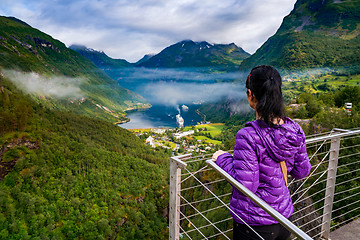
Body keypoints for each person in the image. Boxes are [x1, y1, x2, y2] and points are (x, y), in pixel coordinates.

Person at [212, 65, 311, 240]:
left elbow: (247, 187)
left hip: (254, 223)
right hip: (283, 219)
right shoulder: (294, 130)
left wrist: (222, 158)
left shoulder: (248, 136)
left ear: (251, 95)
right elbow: (302, 171)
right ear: (278, 92)